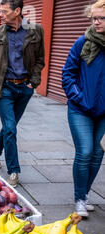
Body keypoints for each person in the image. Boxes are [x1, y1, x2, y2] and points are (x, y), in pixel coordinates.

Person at [0, 0, 45, 187]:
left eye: (4, 11)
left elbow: (40, 59)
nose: (0, 15)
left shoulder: (35, 30)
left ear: (17, 11)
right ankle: (14, 170)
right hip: (5, 87)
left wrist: (33, 82)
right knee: (10, 128)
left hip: (25, 87)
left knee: (10, 126)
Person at [61, 0, 105, 217]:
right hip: (81, 109)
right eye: (94, 18)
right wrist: (79, 97)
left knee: (98, 154)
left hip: (104, 112)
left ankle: (84, 195)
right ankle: (79, 199)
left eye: (101, 18)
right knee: (85, 151)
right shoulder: (82, 42)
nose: (96, 22)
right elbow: (67, 74)